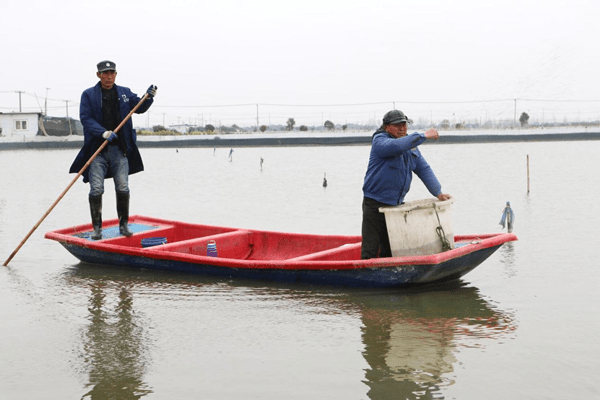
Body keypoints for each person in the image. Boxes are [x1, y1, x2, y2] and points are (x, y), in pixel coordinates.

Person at [69, 60, 157, 240]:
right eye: (105, 73)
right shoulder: (88, 95)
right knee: (96, 190)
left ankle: (123, 225)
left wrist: (148, 97)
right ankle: (97, 229)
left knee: (123, 187)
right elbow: (85, 119)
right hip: (97, 151)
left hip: (120, 150)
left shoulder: (124, 92)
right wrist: (103, 133)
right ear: (98, 75)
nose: (108, 77)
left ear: (116, 74)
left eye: (112, 73)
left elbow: (138, 108)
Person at [361, 109, 451, 259]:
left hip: (394, 206)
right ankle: (365, 277)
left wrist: (438, 192)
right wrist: (423, 135)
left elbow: (423, 169)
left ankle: (390, 277)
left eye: (404, 124)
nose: (402, 128)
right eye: (397, 125)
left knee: (392, 248)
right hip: (374, 205)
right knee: (370, 249)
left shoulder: (410, 146)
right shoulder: (380, 141)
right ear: (386, 126)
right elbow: (397, 146)